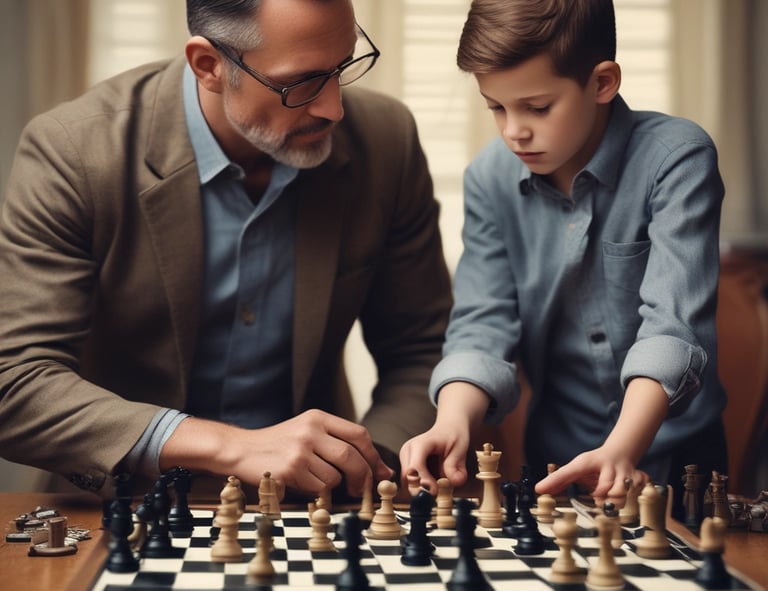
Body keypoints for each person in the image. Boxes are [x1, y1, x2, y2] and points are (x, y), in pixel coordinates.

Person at [0, 0, 452, 501]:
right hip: (119, 507)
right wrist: (228, 446)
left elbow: (423, 349)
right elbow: (15, 381)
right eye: (301, 83)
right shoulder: (74, 152)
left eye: (342, 67)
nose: (333, 108)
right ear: (209, 66)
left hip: (317, 508)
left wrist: (366, 468)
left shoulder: (386, 141)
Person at [400, 0, 728, 509]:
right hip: (556, 462)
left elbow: (672, 325)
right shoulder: (489, 178)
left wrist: (621, 449)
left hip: (681, 460)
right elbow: (482, 323)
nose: (513, 130)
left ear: (602, 82)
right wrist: (452, 420)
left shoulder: (676, 157)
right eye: (496, 106)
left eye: (536, 107)